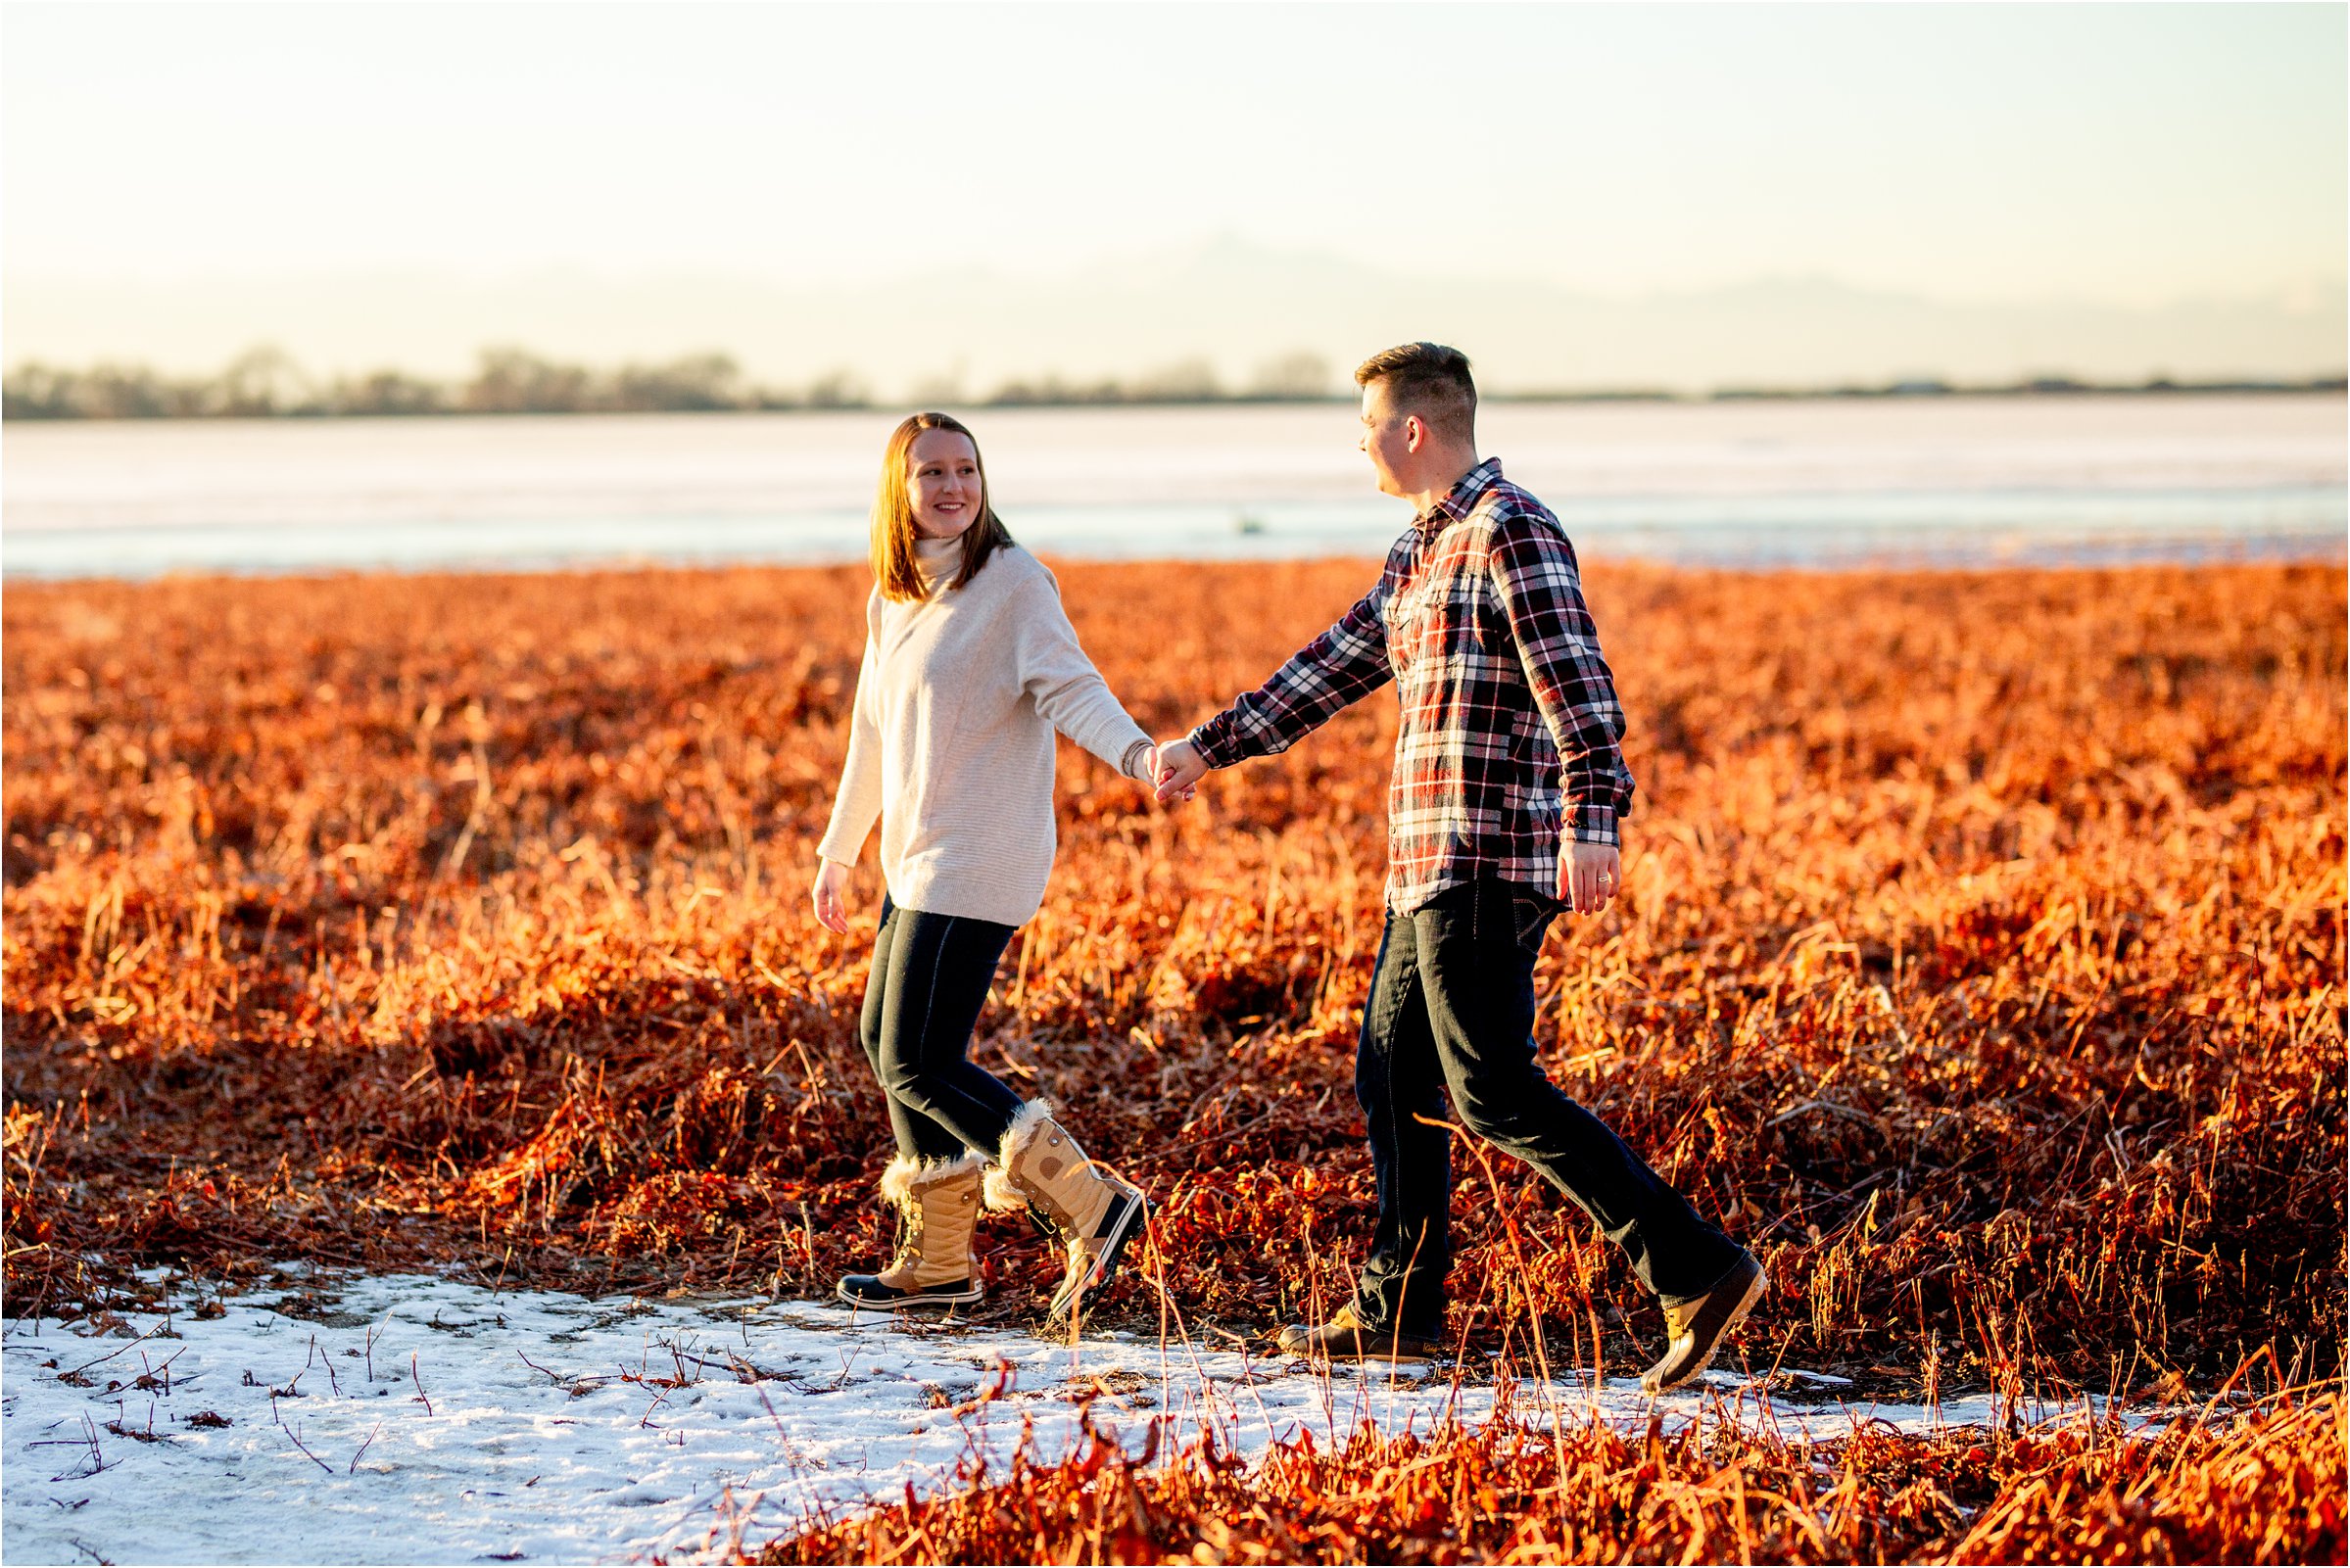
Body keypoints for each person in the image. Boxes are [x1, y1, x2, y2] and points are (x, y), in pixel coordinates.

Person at [1154, 344, 1763, 1394]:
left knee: (1487, 1086)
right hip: (1423, 863)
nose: (1356, 445)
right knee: (1391, 1072)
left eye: (1364, 428)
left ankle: (1694, 1267)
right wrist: (1208, 746)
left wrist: (1594, 817)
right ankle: (1398, 1304)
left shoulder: (1508, 528)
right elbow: (1330, 665)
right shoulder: (1416, 550)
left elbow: (1576, 682)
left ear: (1412, 431)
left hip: (1488, 857)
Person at [813, 410, 1157, 1324]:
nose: (953, 486)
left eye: (965, 469)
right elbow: (871, 734)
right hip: (914, 855)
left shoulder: (1011, 581)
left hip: (983, 850)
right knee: (887, 1052)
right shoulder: (894, 598)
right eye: (932, 472)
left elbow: (1070, 684)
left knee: (916, 1055)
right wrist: (839, 850)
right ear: (900, 489)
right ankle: (939, 1262)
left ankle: (1094, 1205)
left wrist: (1135, 754)